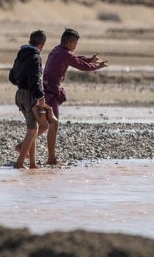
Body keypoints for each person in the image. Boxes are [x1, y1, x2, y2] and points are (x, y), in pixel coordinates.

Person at [43, 28, 107, 165]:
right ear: (71, 43)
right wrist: (96, 66)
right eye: (76, 44)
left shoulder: (57, 50)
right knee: (53, 124)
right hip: (50, 91)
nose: (75, 46)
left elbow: (75, 58)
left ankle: (23, 147)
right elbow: (81, 65)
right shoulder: (65, 54)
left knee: (44, 124)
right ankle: (51, 159)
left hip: (45, 89)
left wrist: (90, 59)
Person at [9, 30, 50, 169]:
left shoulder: (21, 55)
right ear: (42, 45)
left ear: (30, 42)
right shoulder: (35, 57)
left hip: (19, 93)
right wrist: (40, 96)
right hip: (30, 95)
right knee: (33, 129)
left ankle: (33, 163)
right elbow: (35, 79)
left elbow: (12, 76)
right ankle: (19, 163)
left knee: (33, 127)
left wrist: (21, 84)